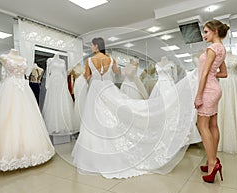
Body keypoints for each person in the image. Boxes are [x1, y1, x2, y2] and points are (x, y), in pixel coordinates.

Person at [72, 37, 201, 179]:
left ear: (96, 46)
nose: (91, 48)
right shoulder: (111, 59)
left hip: (95, 90)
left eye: (92, 45)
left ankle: (94, 155)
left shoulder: (89, 61)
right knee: (113, 117)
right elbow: (117, 74)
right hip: (108, 88)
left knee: (94, 120)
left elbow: (86, 76)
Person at [0, 49, 55, 172]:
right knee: (9, 119)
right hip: (9, 89)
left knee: (28, 120)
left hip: (24, 89)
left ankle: (30, 152)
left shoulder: (23, 59)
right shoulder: (4, 57)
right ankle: (10, 155)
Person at [194, 19, 229, 183]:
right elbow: (224, 73)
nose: (204, 34)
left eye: (206, 31)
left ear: (215, 31)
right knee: (213, 124)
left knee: (201, 125)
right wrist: (213, 75)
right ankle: (212, 160)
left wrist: (199, 95)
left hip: (208, 90)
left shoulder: (212, 49)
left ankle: (212, 163)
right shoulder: (222, 49)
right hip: (216, 89)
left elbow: (205, 74)